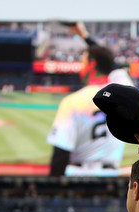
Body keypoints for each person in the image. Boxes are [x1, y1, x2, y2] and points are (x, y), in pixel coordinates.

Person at [46, 45, 130, 177]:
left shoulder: (72, 101)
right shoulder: (125, 96)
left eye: (83, 62)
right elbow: (115, 66)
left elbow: (60, 156)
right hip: (111, 177)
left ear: (92, 64)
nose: (81, 67)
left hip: (77, 177)